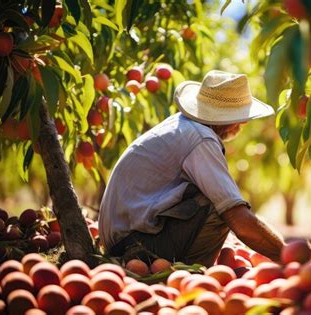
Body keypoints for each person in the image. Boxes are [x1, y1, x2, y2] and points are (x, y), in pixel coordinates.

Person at [99, 70, 285, 267]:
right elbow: (238, 220)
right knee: (222, 205)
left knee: (219, 198)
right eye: (241, 116)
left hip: (123, 240)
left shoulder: (180, 125)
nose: (245, 122)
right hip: (137, 246)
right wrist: (288, 256)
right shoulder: (201, 139)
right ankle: (187, 274)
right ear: (227, 119)